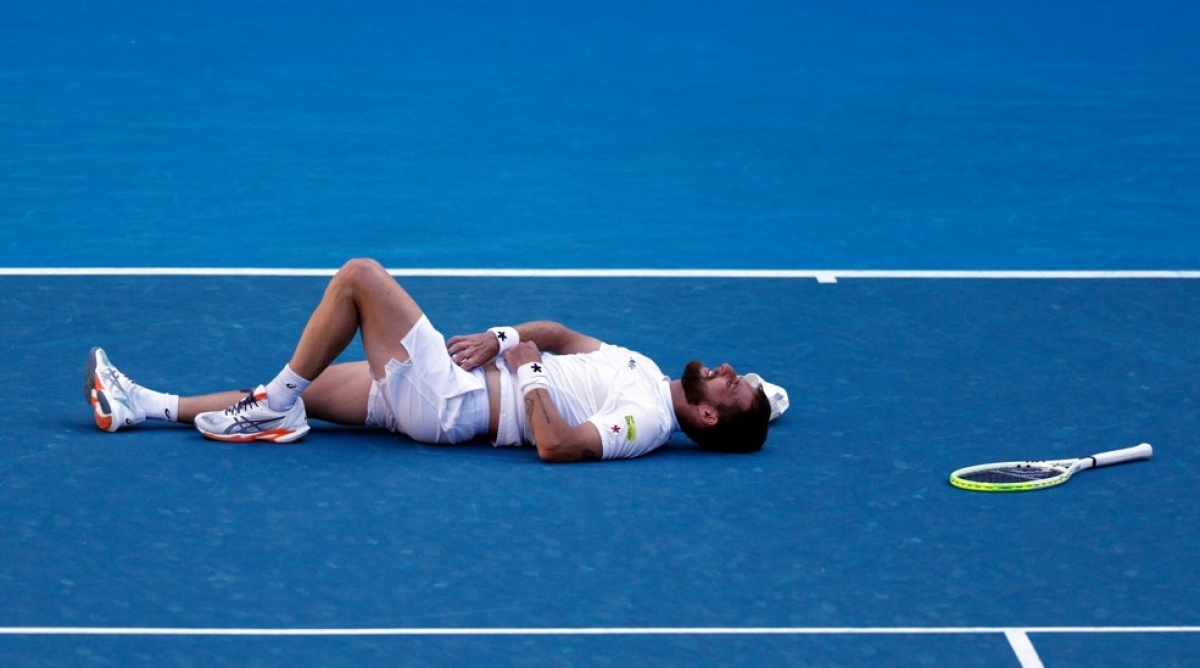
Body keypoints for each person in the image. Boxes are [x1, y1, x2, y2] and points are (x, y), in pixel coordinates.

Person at [84, 258, 788, 462]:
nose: (731, 372)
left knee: (360, 277)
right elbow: (564, 334)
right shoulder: (647, 370)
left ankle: (268, 410)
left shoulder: (646, 421)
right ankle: (140, 405)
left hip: (452, 402)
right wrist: (504, 334)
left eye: (731, 389)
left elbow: (558, 445)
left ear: (702, 414)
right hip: (450, 386)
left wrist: (527, 368)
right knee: (303, 386)